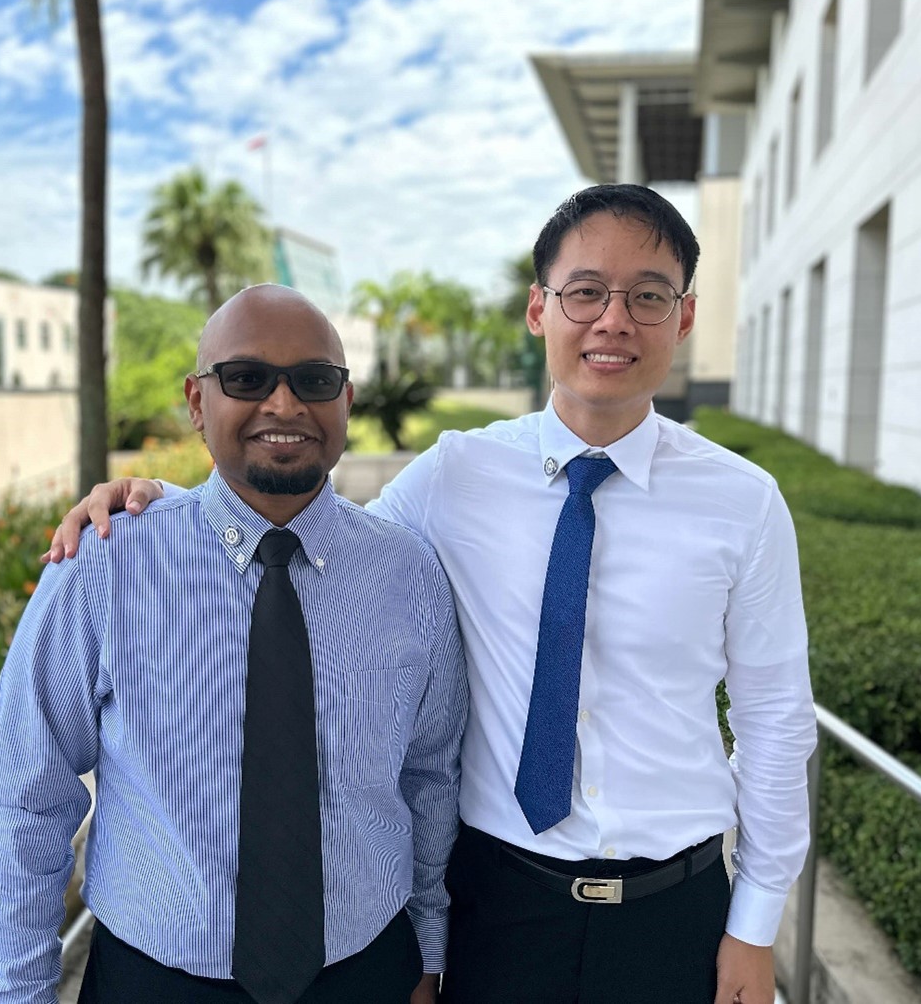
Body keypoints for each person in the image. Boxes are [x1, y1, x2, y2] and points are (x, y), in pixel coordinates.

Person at [44, 184, 817, 1004]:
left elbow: (774, 720)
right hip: (498, 904)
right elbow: (314, 537)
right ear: (538, 310)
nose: (612, 320)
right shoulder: (455, 474)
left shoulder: (744, 502)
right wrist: (164, 504)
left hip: (678, 911)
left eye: (648, 296)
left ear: (684, 317)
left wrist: (754, 923)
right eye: (585, 291)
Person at [0, 285, 468, 1004]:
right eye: (246, 379)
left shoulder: (408, 574)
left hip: (367, 974)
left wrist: (426, 953)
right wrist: (18, 995)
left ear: (346, 402)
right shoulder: (106, 564)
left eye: (314, 381)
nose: (284, 404)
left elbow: (430, 779)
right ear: (197, 402)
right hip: (153, 981)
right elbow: (28, 800)